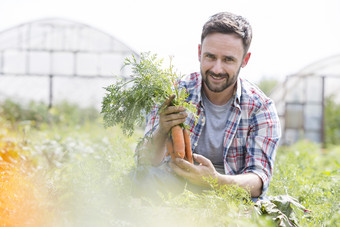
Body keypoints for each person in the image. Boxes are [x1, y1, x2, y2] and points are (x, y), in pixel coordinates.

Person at [134, 11, 281, 201]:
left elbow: (258, 180)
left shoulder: (260, 108)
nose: (217, 69)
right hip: (174, 188)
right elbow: (145, 162)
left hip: (228, 196)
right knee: (138, 180)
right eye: (210, 57)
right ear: (199, 53)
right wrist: (162, 129)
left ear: (245, 60)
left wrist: (214, 181)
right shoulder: (175, 94)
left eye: (228, 59)